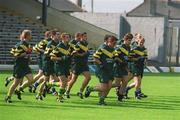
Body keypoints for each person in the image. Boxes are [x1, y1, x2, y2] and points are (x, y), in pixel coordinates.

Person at [85, 35, 117, 105]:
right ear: (109, 42)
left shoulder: (113, 50)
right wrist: (101, 64)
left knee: (109, 86)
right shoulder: (102, 48)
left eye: (115, 43)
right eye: (113, 43)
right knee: (104, 87)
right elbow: (95, 58)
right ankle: (90, 88)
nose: (114, 45)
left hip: (110, 69)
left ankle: (101, 100)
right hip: (102, 70)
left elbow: (114, 58)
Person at [5, 30, 34, 103]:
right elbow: (16, 55)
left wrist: (29, 57)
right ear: (27, 36)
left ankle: (19, 90)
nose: (31, 36)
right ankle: (8, 97)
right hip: (19, 66)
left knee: (31, 80)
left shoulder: (28, 45)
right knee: (15, 83)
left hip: (26, 66)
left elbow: (27, 54)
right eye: (30, 35)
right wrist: (26, 53)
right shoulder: (20, 44)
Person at [66, 32, 91, 99]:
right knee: (74, 79)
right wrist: (81, 55)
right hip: (77, 64)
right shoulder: (78, 44)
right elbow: (73, 53)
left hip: (84, 64)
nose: (86, 37)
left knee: (88, 77)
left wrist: (85, 54)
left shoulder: (86, 44)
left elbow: (87, 52)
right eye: (84, 36)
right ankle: (67, 91)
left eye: (86, 36)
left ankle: (80, 91)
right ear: (81, 37)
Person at [36, 30, 59, 100]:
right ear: (53, 35)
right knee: (46, 80)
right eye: (57, 34)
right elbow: (46, 53)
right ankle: (39, 94)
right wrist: (54, 56)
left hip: (52, 64)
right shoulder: (50, 43)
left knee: (56, 79)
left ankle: (46, 89)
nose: (59, 36)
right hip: (47, 63)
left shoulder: (57, 43)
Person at [50, 33, 71, 102]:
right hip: (59, 66)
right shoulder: (59, 46)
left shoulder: (68, 46)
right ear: (63, 38)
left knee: (65, 83)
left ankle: (50, 84)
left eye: (69, 37)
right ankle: (59, 97)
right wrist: (61, 58)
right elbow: (52, 57)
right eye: (67, 37)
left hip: (66, 66)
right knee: (63, 82)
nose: (68, 38)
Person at [113, 33, 133, 101]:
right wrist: (121, 61)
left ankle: (120, 97)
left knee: (125, 82)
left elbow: (127, 57)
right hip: (118, 67)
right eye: (129, 40)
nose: (130, 42)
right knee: (116, 84)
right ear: (125, 39)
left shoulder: (129, 48)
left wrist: (128, 63)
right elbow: (115, 57)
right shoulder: (120, 47)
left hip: (124, 67)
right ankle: (103, 88)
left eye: (131, 40)